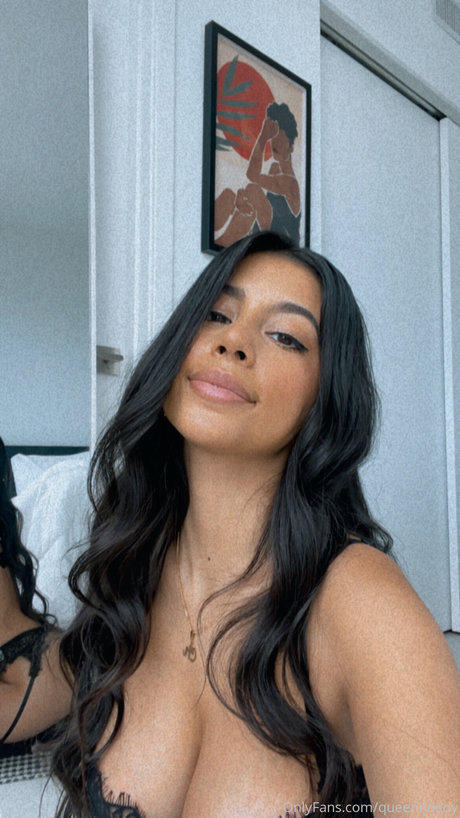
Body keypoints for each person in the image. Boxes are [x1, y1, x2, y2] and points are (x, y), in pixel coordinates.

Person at [1, 231, 459, 817]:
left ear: (327, 397)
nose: (233, 342)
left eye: (285, 336)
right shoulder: (131, 575)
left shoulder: (360, 601)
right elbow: (23, 687)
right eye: (216, 315)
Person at [215, 103, 301, 246]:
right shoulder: (274, 169)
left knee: (252, 191)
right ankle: (217, 240)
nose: (275, 141)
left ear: (291, 147)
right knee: (229, 197)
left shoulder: (291, 183)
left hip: (278, 246)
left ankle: (223, 242)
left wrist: (263, 136)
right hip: (262, 235)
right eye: (274, 135)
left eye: (281, 137)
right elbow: (254, 177)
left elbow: (252, 175)